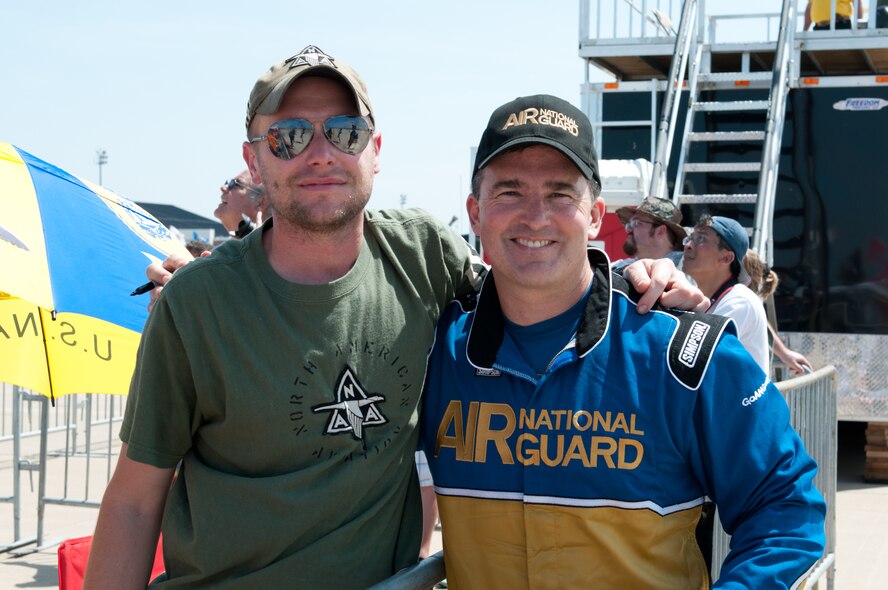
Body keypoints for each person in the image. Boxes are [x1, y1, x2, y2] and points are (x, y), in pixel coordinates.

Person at [85, 47, 705, 589]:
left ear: (375, 152)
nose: (321, 154)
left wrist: (632, 278)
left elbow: (535, 287)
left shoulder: (422, 254)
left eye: (346, 133)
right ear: (254, 160)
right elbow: (136, 502)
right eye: (289, 136)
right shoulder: (197, 305)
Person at [420, 94, 826, 589]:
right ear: (475, 214)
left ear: (595, 216)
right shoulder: (436, 351)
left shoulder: (686, 356)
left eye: (560, 194)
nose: (536, 216)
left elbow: (784, 506)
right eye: (509, 192)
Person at [682, 215, 771, 373]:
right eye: (690, 237)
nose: (688, 245)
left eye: (701, 238)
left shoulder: (740, 300)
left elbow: (692, 360)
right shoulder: (711, 300)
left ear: (726, 258)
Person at [612, 195, 686, 273]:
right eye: (628, 224)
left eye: (636, 223)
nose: (628, 229)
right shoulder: (618, 267)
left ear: (660, 231)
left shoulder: (687, 266)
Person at [213, 171, 270, 238]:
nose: (223, 188)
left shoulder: (274, 247)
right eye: (228, 182)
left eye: (236, 184)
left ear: (261, 202)